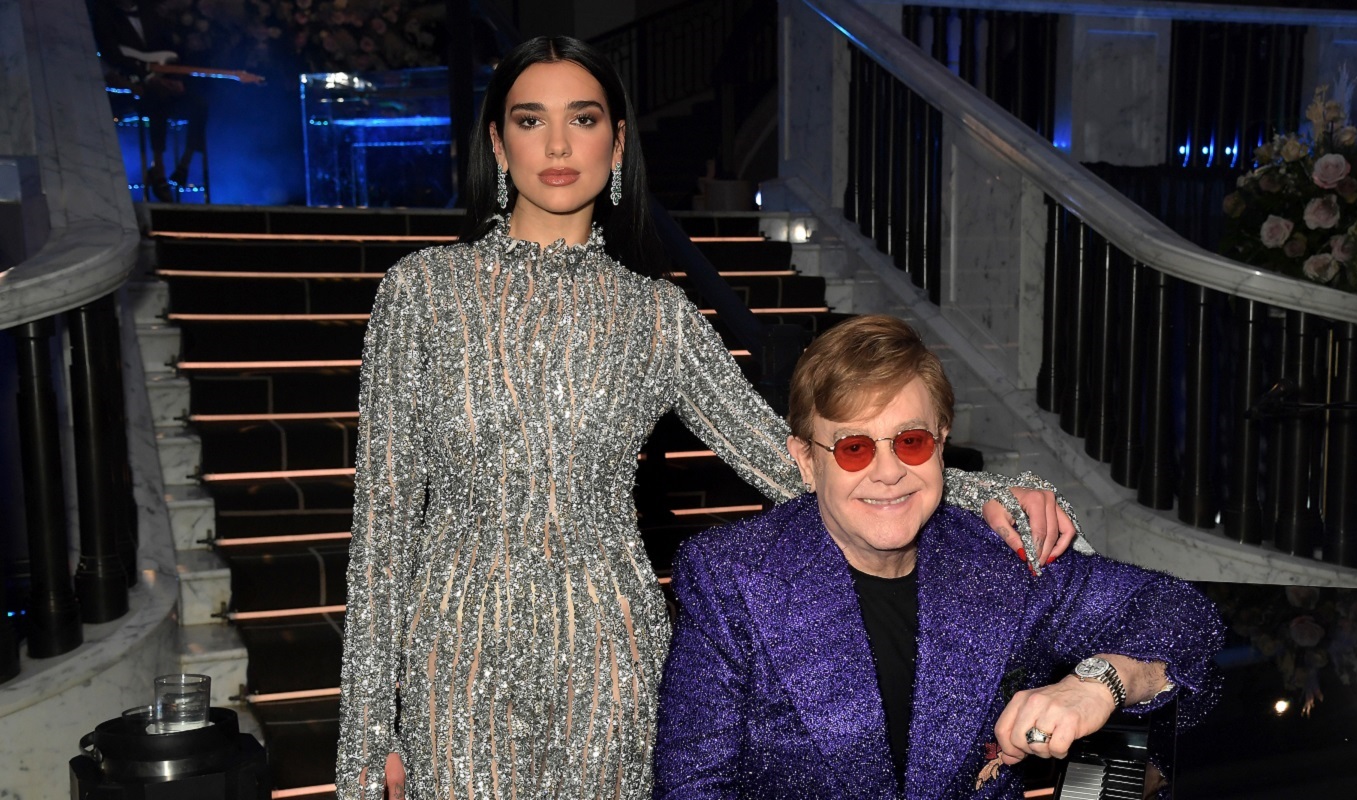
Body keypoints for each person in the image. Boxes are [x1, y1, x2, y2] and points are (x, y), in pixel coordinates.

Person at [334, 37, 1082, 800]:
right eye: (531, 120)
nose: (557, 145)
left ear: (616, 144)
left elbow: (784, 459)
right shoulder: (421, 293)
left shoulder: (656, 315)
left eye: (583, 119)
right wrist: (367, 734)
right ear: (498, 144)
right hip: (457, 653)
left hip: (610, 659)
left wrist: (978, 493)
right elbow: (382, 526)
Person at [653, 315, 1224, 800]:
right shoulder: (732, 576)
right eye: (853, 448)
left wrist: (1099, 682)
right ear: (806, 461)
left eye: (911, 441)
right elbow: (692, 786)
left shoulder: (996, 560)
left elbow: (1181, 614)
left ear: (941, 444)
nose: (888, 472)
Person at [90, 0, 208, 202]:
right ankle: (158, 168)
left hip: (161, 79)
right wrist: (147, 78)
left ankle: (184, 164)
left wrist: (175, 79)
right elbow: (112, 55)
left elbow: (170, 51)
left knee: (199, 103)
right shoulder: (105, 14)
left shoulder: (151, 13)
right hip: (131, 86)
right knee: (157, 99)